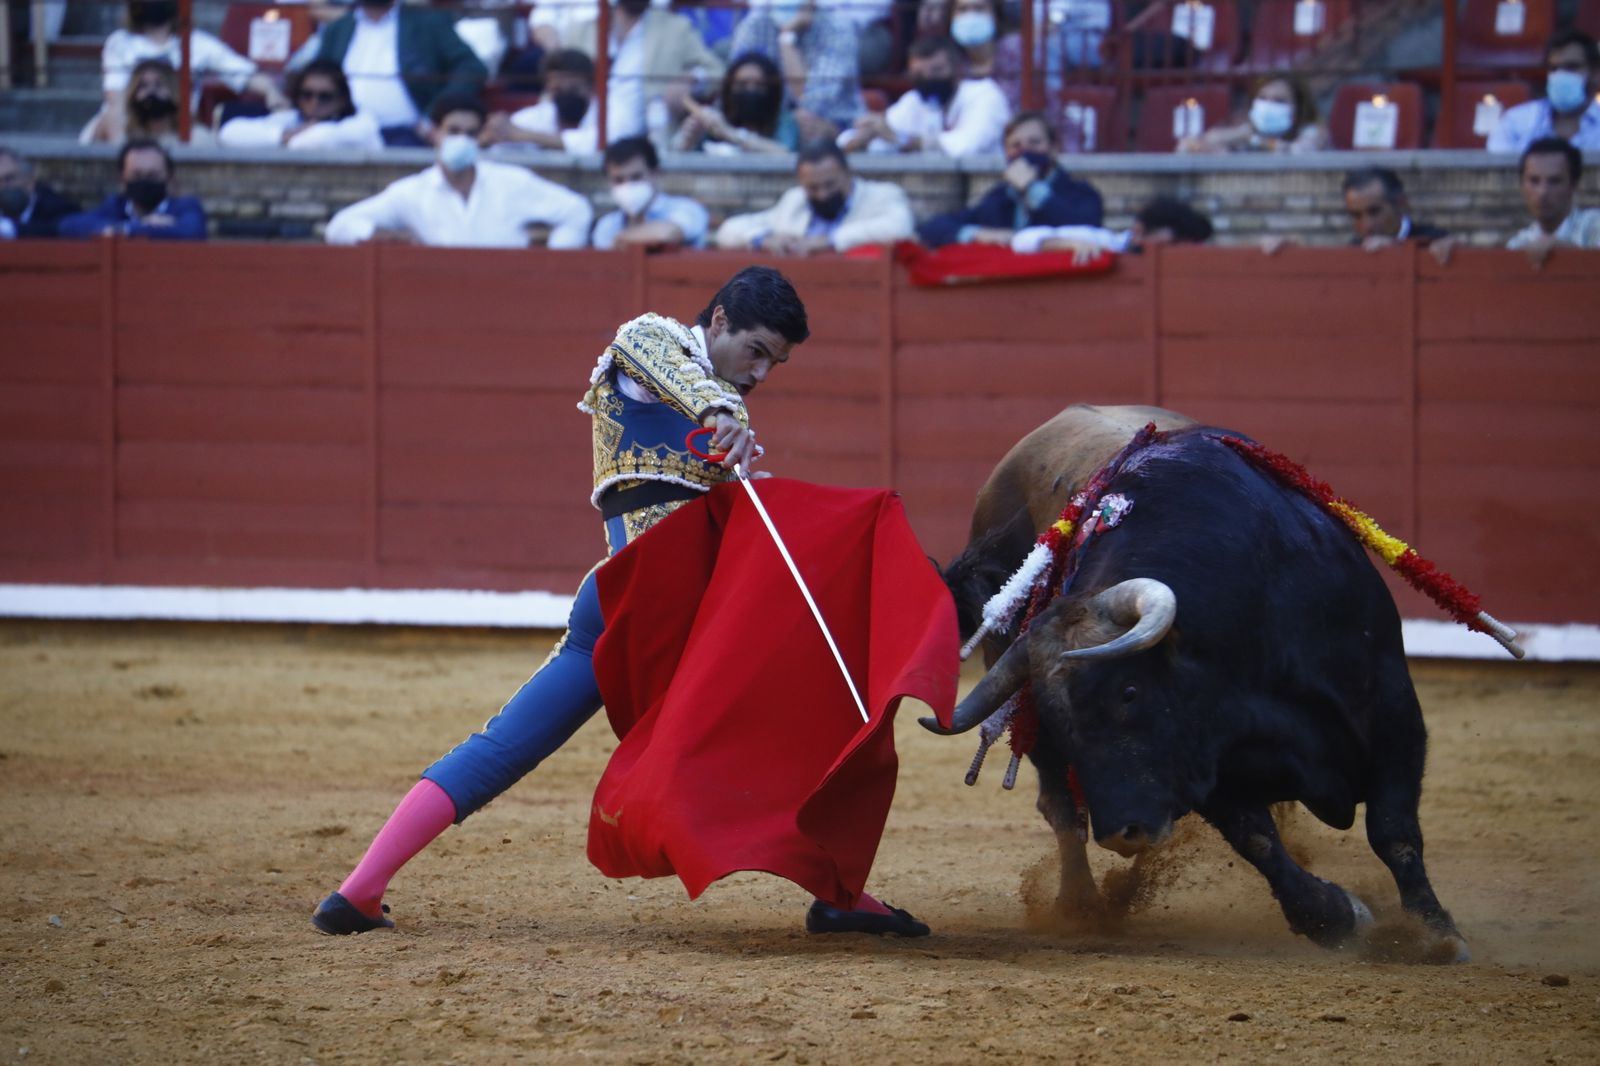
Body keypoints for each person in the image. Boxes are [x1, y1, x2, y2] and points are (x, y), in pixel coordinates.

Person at [311, 266, 930, 939]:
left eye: (775, 364)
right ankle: (359, 888)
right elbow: (665, 365)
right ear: (718, 319)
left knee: (787, 717)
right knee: (509, 745)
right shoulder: (652, 344)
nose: (760, 374)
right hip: (638, 606)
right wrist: (718, 410)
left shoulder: (726, 408)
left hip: (666, 614)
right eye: (756, 351)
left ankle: (361, 890)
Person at [323, 94, 592, 249]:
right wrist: (381, 235)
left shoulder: (511, 182)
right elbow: (339, 226)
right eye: (453, 131)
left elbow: (577, 211)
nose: (462, 139)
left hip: (509, 295)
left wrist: (554, 264)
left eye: (471, 133)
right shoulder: (411, 193)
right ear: (435, 134)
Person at [94, 0, 288, 144]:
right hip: (130, 127)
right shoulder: (119, 42)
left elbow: (245, 74)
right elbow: (115, 101)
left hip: (177, 130)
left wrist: (272, 92)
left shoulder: (198, 43)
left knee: (205, 141)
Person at [312, 0, 488, 147]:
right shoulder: (338, 29)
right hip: (341, 133)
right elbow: (316, 76)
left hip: (407, 136)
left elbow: (472, 68)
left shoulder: (428, 23)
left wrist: (435, 115)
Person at [918, 111, 1103, 247]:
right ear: (1007, 154)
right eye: (1016, 146)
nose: (1024, 151)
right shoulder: (1000, 197)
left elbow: (1086, 227)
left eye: (1034, 142)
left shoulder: (1081, 193)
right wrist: (978, 233)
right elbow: (933, 228)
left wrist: (1032, 188)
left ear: (1054, 148)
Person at [569, 0, 726, 147]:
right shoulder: (583, 31)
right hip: (583, 132)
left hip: (649, 143)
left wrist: (692, 80)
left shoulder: (675, 29)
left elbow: (717, 72)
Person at [715, 139, 915, 254]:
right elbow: (728, 230)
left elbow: (900, 227)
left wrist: (829, 240)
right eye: (813, 188)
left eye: (830, 184)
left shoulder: (882, 195)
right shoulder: (795, 201)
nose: (823, 194)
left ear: (848, 173)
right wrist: (764, 238)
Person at [840, 36, 1010, 156]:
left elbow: (966, 146)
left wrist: (903, 140)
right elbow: (882, 138)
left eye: (937, 70)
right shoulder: (913, 101)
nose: (928, 79)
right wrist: (864, 137)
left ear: (957, 69)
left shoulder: (985, 95)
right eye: (919, 74)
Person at [722, 0, 863, 136]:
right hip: (769, 122)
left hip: (834, 126)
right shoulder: (755, 24)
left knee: (806, 121)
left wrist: (786, 37)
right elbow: (733, 89)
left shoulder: (838, 28)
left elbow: (812, 104)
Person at [57, 138, 207, 241]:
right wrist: (135, 227)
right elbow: (68, 225)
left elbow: (192, 232)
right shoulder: (115, 206)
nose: (144, 182)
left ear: (169, 178)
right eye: (137, 175)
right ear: (122, 179)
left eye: (152, 175)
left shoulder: (184, 207)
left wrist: (122, 231)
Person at [218, 59, 383, 151]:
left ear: (342, 100)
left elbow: (312, 141)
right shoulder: (292, 120)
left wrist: (293, 136)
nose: (314, 102)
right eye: (307, 95)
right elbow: (229, 132)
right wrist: (283, 136)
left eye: (324, 97)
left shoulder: (363, 122)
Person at [1487, 29, 1600, 154]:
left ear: (1595, 73)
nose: (1561, 75)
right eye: (1554, 69)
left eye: (1571, 67)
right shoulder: (1515, 122)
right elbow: (1499, 171)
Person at [592, 137, 709, 251]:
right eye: (618, 180)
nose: (627, 186)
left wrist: (621, 238)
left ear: (656, 173)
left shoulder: (687, 208)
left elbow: (669, 234)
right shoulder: (607, 225)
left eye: (636, 177)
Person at [672, 52, 801, 155]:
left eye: (759, 85)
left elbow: (786, 155)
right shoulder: (713, 122)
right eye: (742, 84)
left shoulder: (786, 122)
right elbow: (673, 162)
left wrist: (730, 134)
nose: (750, 90)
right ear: (729, 89)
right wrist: (687, 141)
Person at [483, 49, 603, 153]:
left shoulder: (609, 111)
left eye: (573, 89)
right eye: (557, 90)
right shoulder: (536, 116)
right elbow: (500, 142)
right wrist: (494, 133)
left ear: (591, 86)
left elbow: (593, 143)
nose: (566, 96)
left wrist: (524, 135)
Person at [1179, 73, 1329, 154]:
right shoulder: (1248, 131)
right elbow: (1187, 146)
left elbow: (1297, 154)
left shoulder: (1314, 133)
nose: (1268, 106)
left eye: (1279, 101)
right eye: (1263, 98)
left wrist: (1252, 141)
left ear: (1298, 108)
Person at [1506, 137, 1600, 267]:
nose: (1542, 192)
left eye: (1554, 181)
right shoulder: (1518, 245)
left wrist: (1565, 251)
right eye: (1534, 181)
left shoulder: (1595, 226)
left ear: (1574, 185)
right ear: (1522, 185)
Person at [80, 58, 215, 147]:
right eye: (143, 86)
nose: (150, 92)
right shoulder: (120, 133)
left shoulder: (198, 138)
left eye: (159, 85)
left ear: (175, 93)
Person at [1011, 196, 1213, 254]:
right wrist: (1067, 245)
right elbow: (1021, 240)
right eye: (1167, 247)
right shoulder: (1106, 243)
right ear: (1138, 231)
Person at [1341, 167, 1448, 250]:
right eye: (1356, 215)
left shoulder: (1435, 240)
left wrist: (1397, 247)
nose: (1367, 225)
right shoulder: (1352, 250)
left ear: (1401, 204)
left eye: (1375, 212)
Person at [0, 146, 80, 240]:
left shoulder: (60, 210)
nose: (2, 187)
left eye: (8, 179)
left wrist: (9, 229)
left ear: (29, 181)